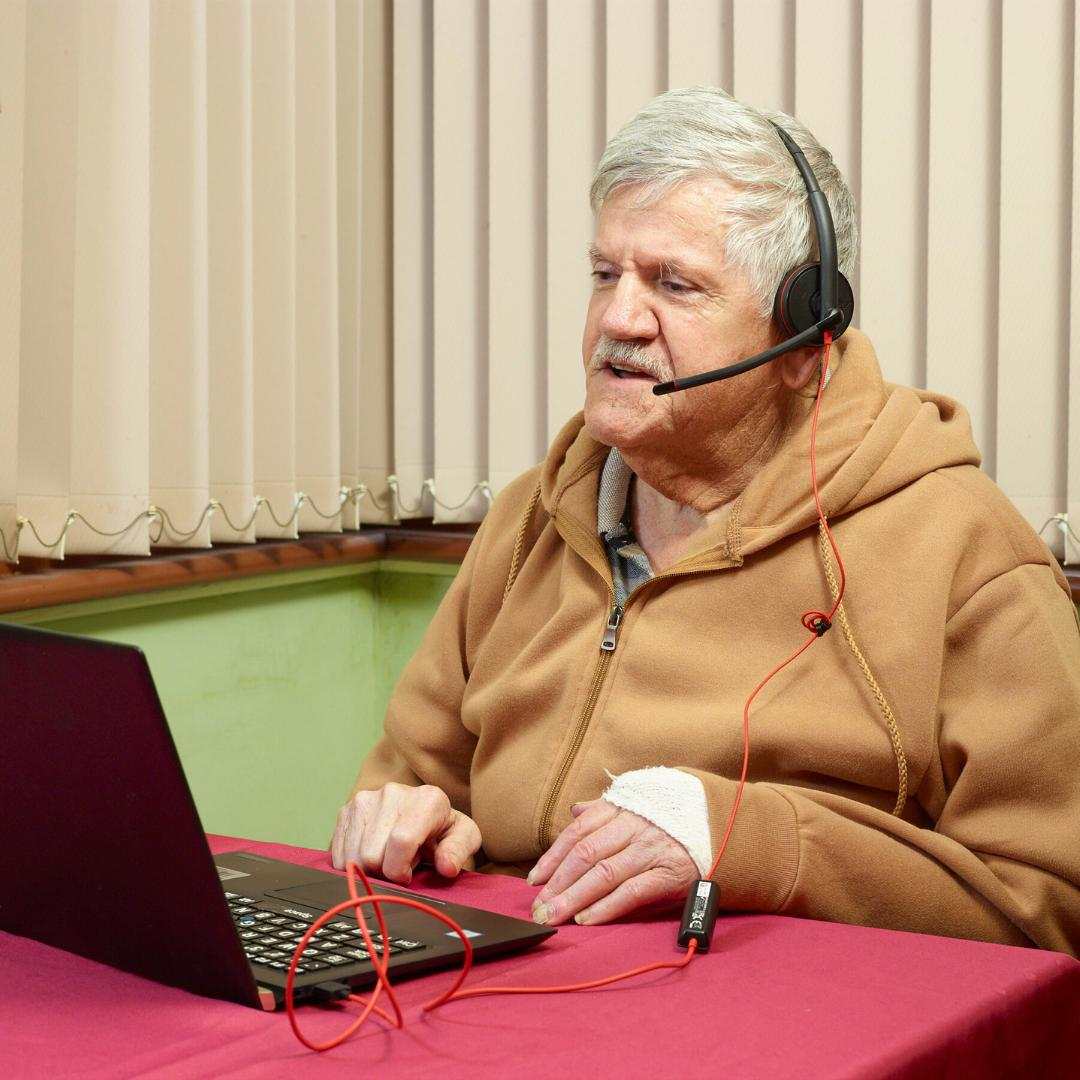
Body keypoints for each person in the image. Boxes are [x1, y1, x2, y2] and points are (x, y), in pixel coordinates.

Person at [332, 87, 1080, 955]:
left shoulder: (965, 551)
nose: (617, 318)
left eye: (673, 284)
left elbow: (1051, 909)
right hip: (506, 1004)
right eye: (605, 274)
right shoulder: (528, 522)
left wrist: (752, 840)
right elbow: (416, 784)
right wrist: (405, 830)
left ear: (803, 340)